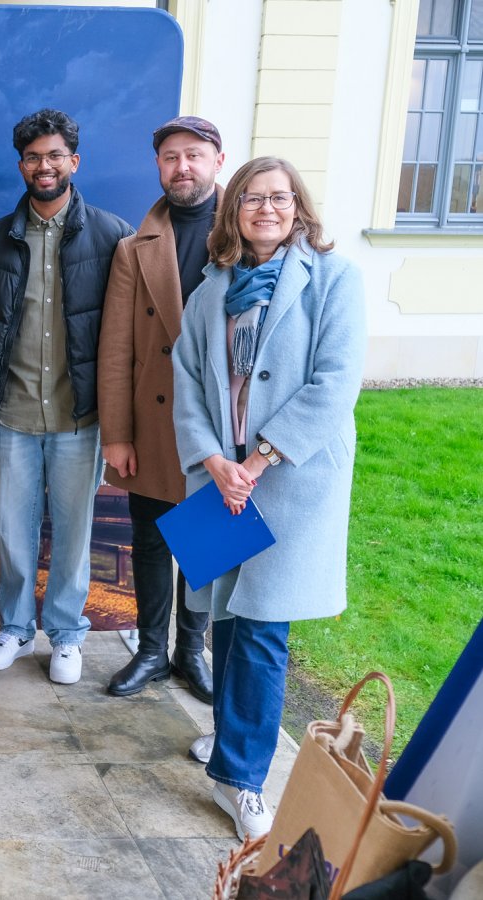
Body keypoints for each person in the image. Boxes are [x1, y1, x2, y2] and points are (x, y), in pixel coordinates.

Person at [172, 156, 365, 840]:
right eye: (252, 198)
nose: (266, 209)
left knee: (262, 626)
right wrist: (215, 460)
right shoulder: (212, 286)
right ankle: (232, 737)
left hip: (287, 478)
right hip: (220, 477)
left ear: (299, 207)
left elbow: (335, 384)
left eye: (279, 198)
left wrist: (255, 461)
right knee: (225, 613)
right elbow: (186, 377)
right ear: (234, 211)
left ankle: (242, 780)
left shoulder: (334, 279)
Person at [0, 109, 134, 684]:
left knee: (73, 534)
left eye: (55, 156)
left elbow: (126, 334)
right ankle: (16, 629)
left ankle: (67, 635)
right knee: (13, 533)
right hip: (14, 412)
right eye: (33, 157)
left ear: (74, 162)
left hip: (78, 415)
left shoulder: (113, 236)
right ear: (21, 165)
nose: (45, 166)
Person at [99, 117, 224, 704]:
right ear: (158, 166)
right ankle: (151, 650)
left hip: (219, 425)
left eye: (193, 155)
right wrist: (117, 435)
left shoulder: (247, 236)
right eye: (171, 157)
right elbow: (116, 349)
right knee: (150, 541)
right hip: (154, 420)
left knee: (208, 542)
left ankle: (191, 652)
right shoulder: (134, 248)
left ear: (217, 160)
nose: (182, 167)